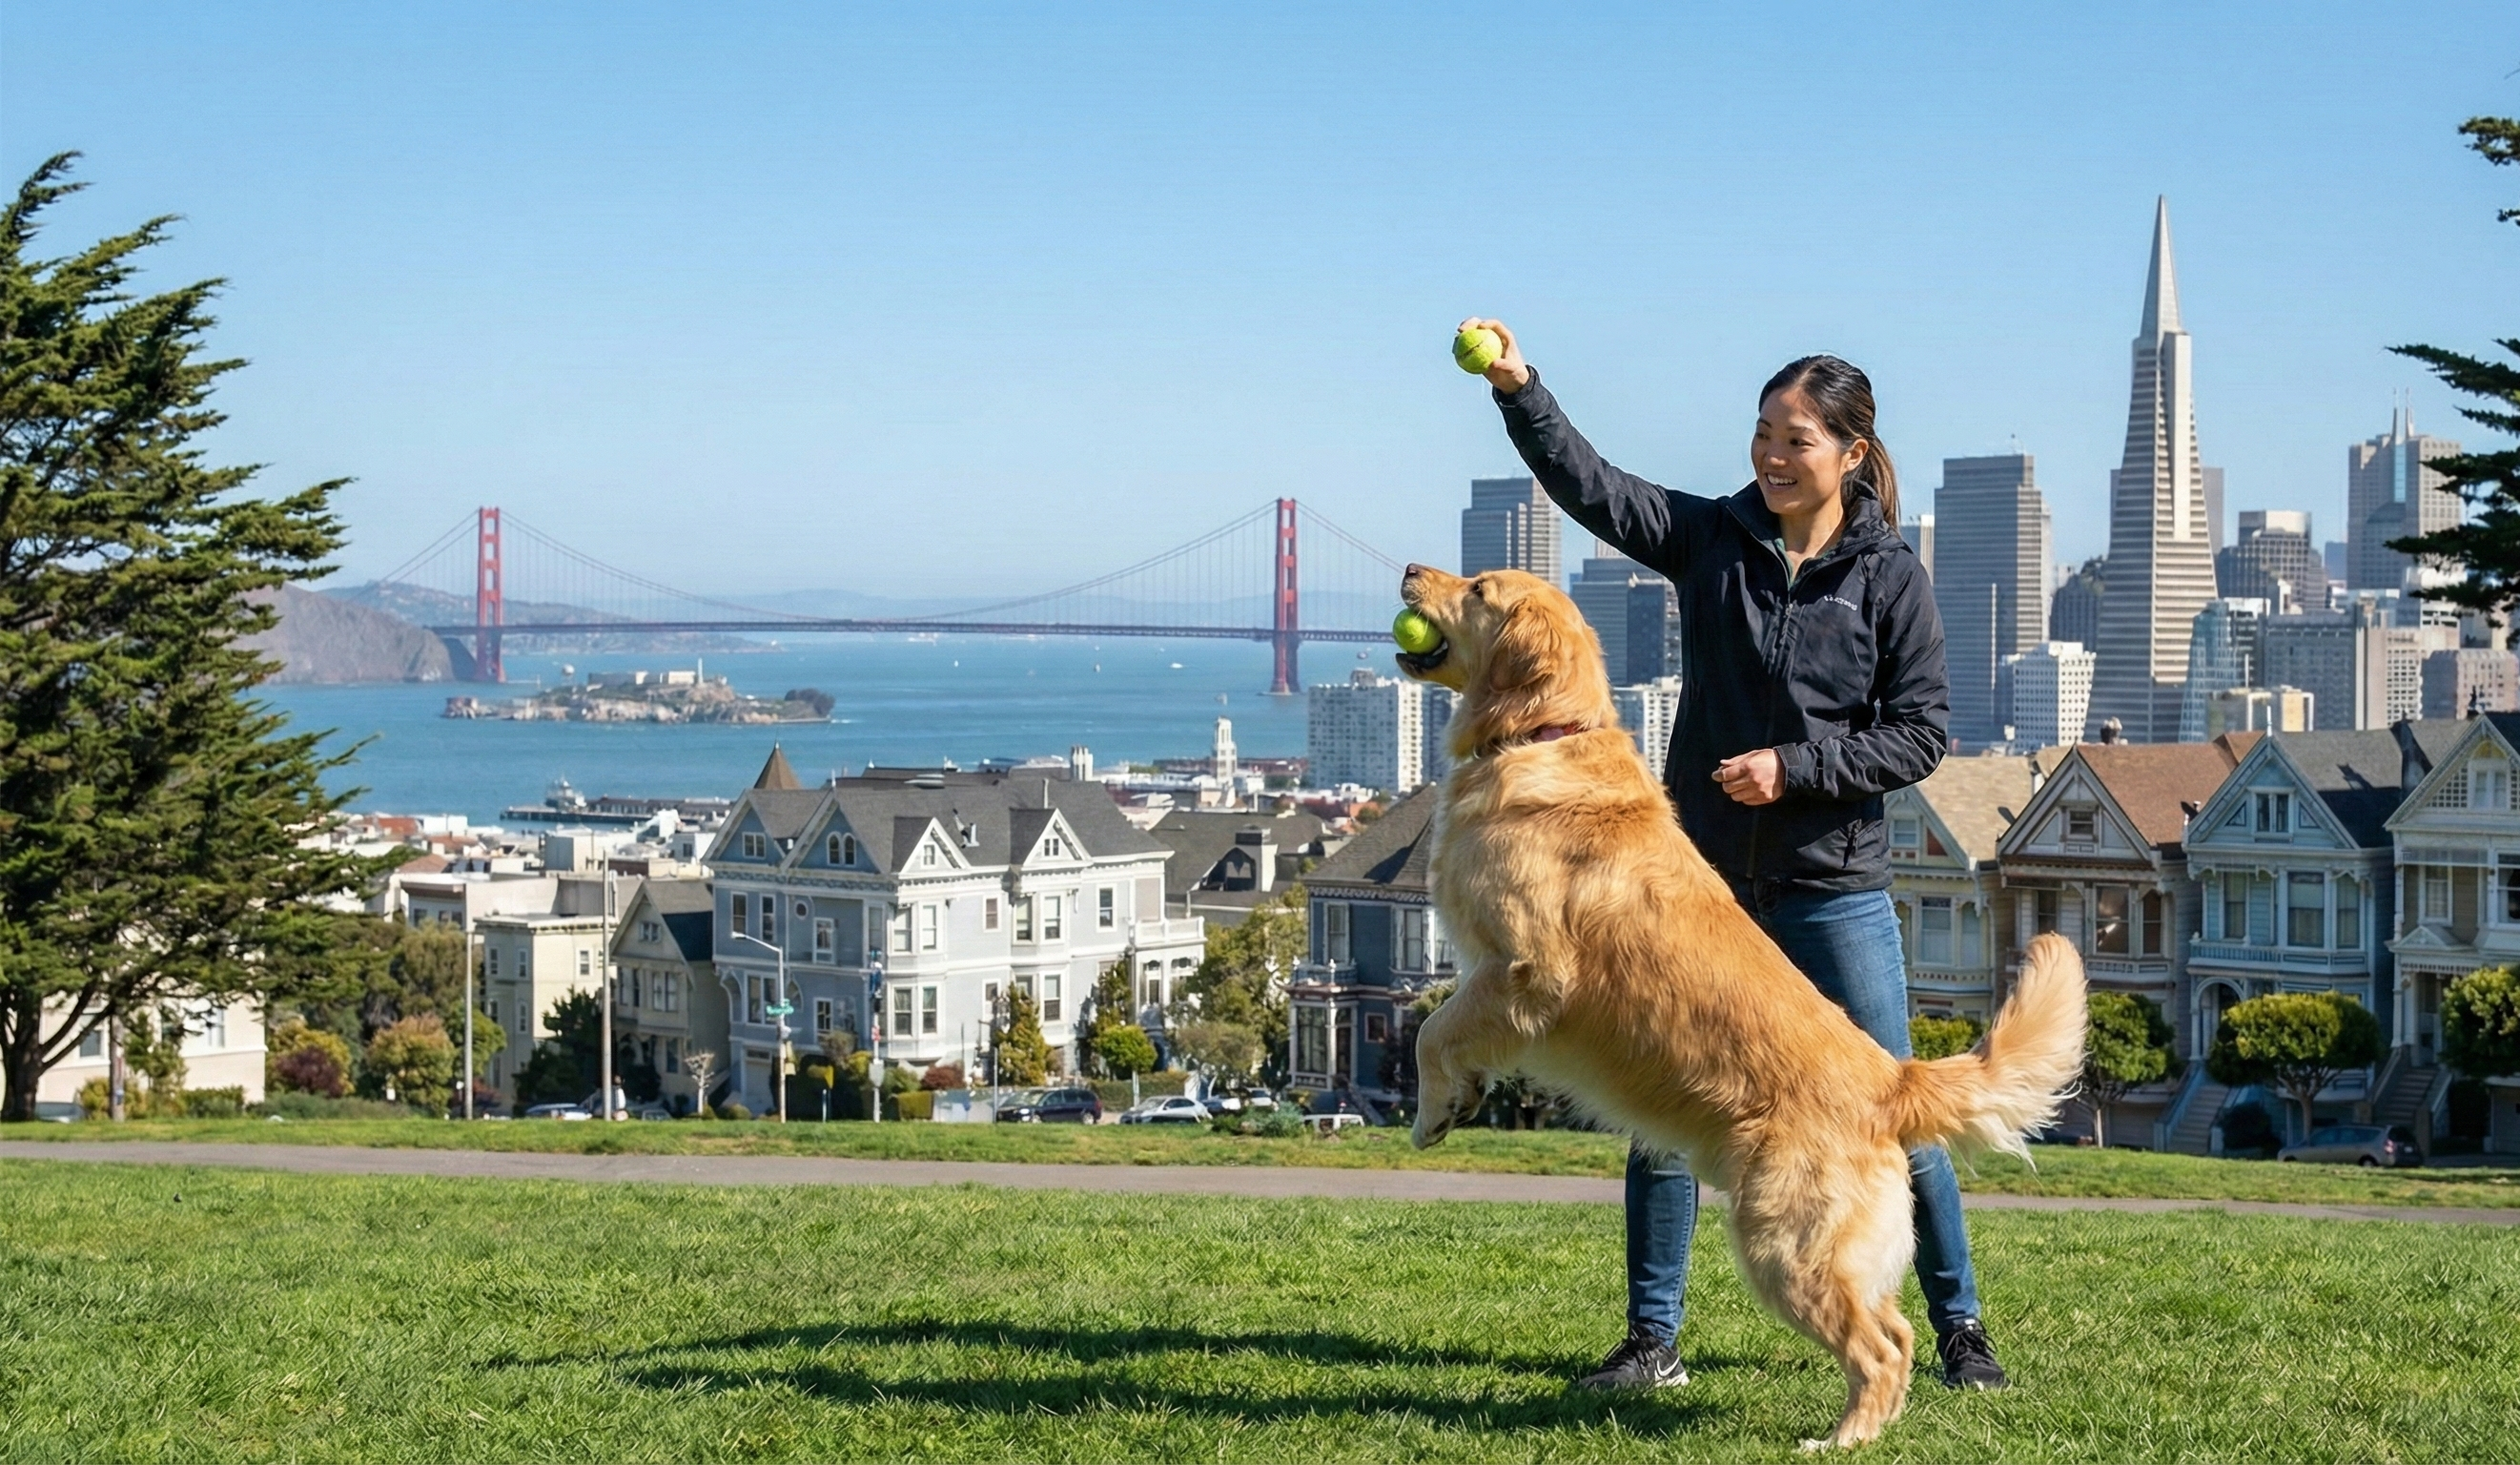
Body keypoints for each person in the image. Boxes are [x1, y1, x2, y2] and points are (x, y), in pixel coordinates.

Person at [1461, 318, 2008, 1393]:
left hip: (1830, 886)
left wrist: (1794, 769)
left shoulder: (1889, 576)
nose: (1769, 454)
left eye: (1795, 438)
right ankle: (1649, 1341)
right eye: (1762, 431)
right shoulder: (1714, 538)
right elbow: (1595, 487)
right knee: (1667, 1103)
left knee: (1896, 1107)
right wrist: (1520, 387)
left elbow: (1923, 733)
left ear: (1851, 452)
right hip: (1697, 886)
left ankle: (1960, 1330)